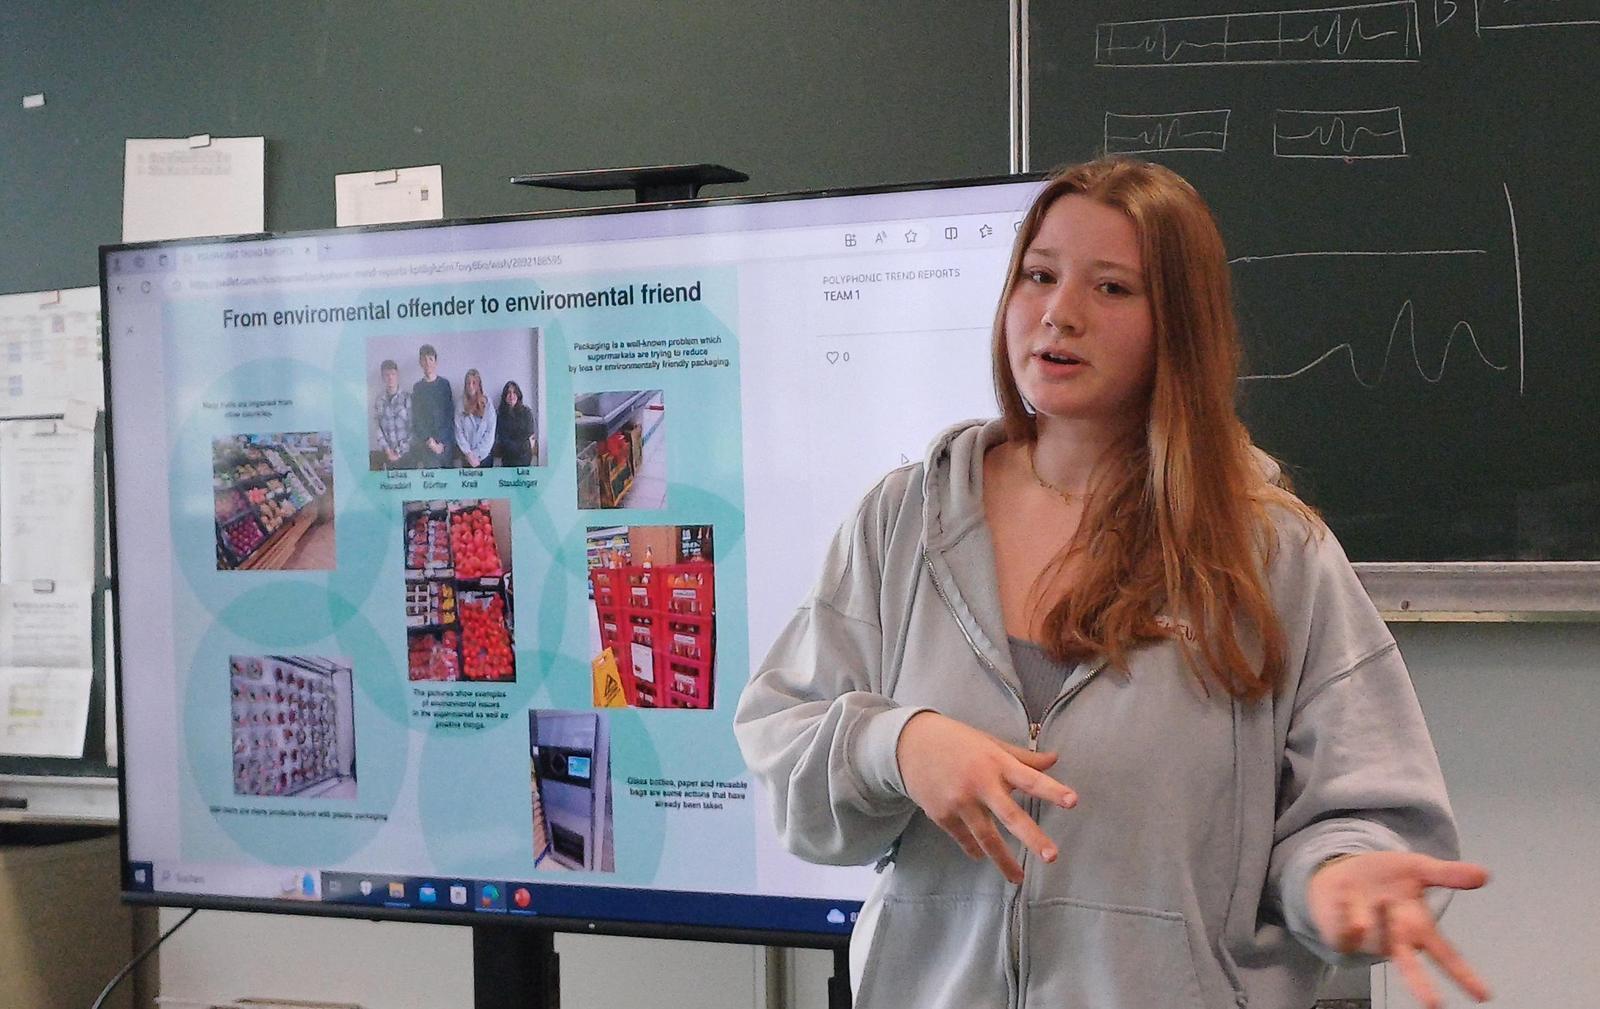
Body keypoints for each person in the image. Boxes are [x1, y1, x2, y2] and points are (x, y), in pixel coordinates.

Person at [734, 159, 1491, 1009]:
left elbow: (1361, 810)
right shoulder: (905, 519)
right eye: (1039, 275)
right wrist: (898, 744)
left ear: (1181, 324)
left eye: (1112, 288)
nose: (1060, 312)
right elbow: (786, 747)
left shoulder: (1270, 551)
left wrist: (1339, 878)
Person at [409, 344, 455, 468]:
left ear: (436, 362)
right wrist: (430, 442)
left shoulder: (444, 385)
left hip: (445, 445)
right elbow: (417, 418)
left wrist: (442, 442)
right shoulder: (418, 387)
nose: (428, 363)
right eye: (424, 359)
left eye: (430, 359)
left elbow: (450, 414)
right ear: (420, 363)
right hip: (428, 446)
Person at [371, 359, 412, 469]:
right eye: (387, 375)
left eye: (393, 374)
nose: (390, 378)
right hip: (387, 454)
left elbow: (413, 428)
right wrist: (388, 450)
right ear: (382, 377)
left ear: (397, 375)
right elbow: (377, 427)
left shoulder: (407, 398)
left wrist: (399, 452)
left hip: (406, 455)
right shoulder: (379, 400)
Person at [454, 367, 496, 468]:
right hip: (467, 458)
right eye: (468, 383)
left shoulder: (488, 404)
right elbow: (459, 431)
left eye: (474, 383)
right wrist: (469, 454)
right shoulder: (460, 404)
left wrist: (477, 455)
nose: (471, 386)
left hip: (485, 457)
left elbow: (490, 431)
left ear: (479, 385)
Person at [494, 379, 537, 467]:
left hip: (524, 456)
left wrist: (521, 448)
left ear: (518, 395)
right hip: (508, 457)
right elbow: (502, 437)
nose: (511, 395)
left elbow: (529, 435)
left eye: (514, 392)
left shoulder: (526, 412)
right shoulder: (500, 414)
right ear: (504, 396)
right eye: (508, 393)